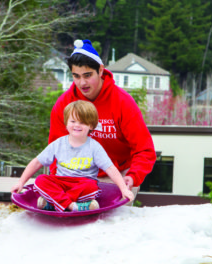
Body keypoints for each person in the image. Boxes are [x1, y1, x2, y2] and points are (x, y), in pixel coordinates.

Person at [48, 39, 157, 200]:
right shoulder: (64, 104)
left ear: (100, 70)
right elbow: (55, 150)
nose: (82, 83)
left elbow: (144, 150)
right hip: (77, 175)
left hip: (118, 175)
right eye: (76, 76)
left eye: (87, 75)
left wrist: (133, 176)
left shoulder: (123, 102)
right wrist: (58, 179)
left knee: (112, 221)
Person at [11, 100, 134, 212]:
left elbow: (110, 168)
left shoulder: (94, 147)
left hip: (82, 184)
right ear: (66, 123)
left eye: (82, 122)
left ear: (91, 126)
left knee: (92, 187)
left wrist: (124, 189)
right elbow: (37, 162)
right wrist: (21, 182)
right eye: (73, 121)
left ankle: (53, 204)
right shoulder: (58, 144)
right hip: (61, 183)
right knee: (40, 180)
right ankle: (73, 206)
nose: (77, 125)